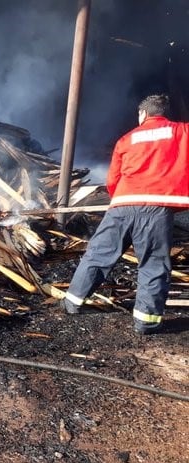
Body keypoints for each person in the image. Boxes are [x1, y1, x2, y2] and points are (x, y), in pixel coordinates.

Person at [62, 94, 189, 334]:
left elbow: (113, 179)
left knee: (98, 254)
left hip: (122, 204)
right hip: (157, 209)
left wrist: (119, 197)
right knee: (152, 263)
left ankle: (72, 302)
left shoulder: (126, 139)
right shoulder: (182, 132)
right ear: (164, 113)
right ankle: (146, 322)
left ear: (143, 114)